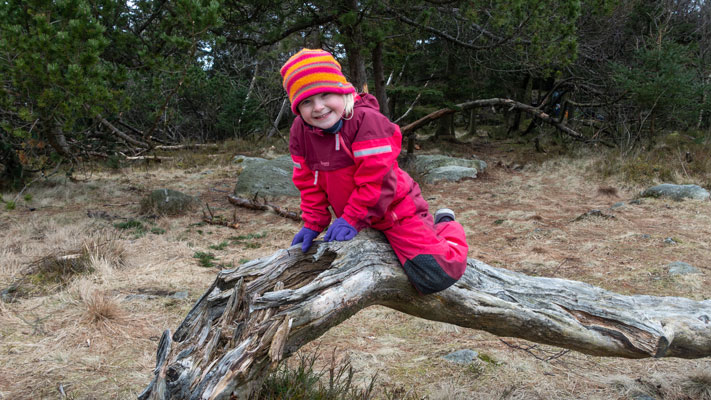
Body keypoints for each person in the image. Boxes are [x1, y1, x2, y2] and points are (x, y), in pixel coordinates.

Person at [281, 48, 468, 295]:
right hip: (356, 216)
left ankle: (445, 224)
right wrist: (314, 223)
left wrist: (352, 218)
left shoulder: (365, 120)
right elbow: (308, 182)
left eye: (325, 94)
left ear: (342, 89)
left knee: (437, 275)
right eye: (306, 101)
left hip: (395, 211)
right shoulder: (300, 132)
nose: (318, 107)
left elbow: (377, 180)